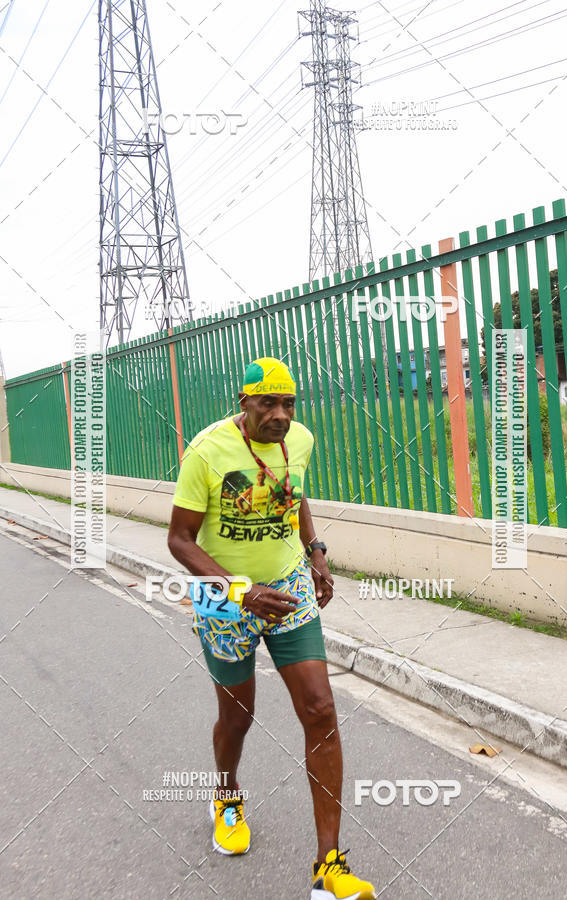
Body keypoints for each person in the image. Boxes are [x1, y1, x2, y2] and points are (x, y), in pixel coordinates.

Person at [168, 357, 375, 899]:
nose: (281, 415)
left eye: (289, 404)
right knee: (237, 717)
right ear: (244, 403)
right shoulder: (206, 451)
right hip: (225, 600)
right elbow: (180, 540)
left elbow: (293, 491)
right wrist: (242, 590)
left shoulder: (298, 439)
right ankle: (226, 795)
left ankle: (329, 867)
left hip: (287, 589)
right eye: (268, 404)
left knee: (320, 708)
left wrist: (316, 551)